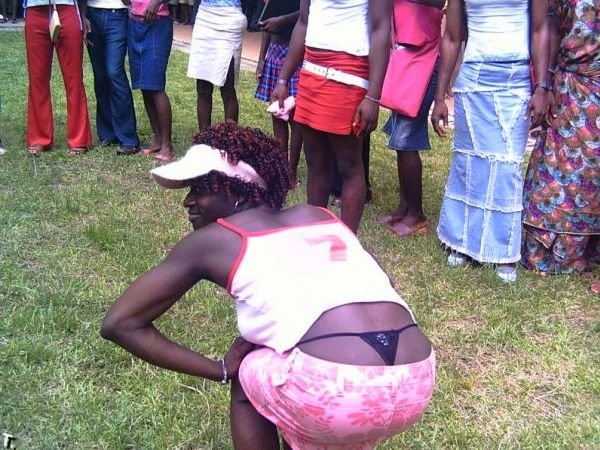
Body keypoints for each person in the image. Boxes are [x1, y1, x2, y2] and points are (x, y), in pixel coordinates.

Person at [101, 121, 436, 450]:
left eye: (200, 188)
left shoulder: (213, 240)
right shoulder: (321, 217)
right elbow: (382, 284)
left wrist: (219, 370)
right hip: (416, 379)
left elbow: (120, 323)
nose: (188, 201)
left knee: (251, 371)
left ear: (238, 189)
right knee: (289, 361)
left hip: (338, 393)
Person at [431, 0, 549, 282]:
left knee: (507, 166)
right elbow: (452, 37)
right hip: (473, 79)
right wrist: (440, 96)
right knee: (469, 164)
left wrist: (542, 87)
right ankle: (462, 241)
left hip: (515, 80)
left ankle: (502, 250)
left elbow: (540, 29)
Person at [271, 0, 393, 233]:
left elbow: (381, 29)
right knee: (315, 160)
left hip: (349, 72)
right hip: (311, 69)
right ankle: (315, 234)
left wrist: (373, 97)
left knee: (349, 165)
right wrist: (283, 79)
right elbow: (303, 21)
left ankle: (347, 243)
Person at [521, 0, 599, 280]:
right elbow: (550, 27)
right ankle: (554, 252)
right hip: (570, 88)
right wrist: (544, 84)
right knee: (560, 171)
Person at [377, 0, 444, 238]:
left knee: (405, 139)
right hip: (405, 56)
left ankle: (417, 214)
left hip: (424, 59)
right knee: (400, 140)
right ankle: (404, 207)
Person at [24, 0, 92, 155]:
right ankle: (39, 137)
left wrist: (83, 15)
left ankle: (79, 138)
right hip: (35, 9)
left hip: (66, 8)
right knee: (37, 79)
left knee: (74, 78)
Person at [83, 0, 140, 155]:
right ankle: (107, 133)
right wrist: (82, 15)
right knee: (100, 76)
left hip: (118, 14)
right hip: (92, 14)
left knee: (114, 72)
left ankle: (128, 138)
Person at [255, 2, 302, 187]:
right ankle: (281, 168)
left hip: (298, 53)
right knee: (277, 111)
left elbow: (308, 12)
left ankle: (292, 170)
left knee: (296, 117)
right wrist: (261, 58)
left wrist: (283, 20)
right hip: (275, 50)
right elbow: (267, 23)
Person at [187, 0, 246, 130]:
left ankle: (230, 138)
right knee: (203, 87)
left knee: (227, 87)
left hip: (230, 19)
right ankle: (204, 137)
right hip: (205, 16)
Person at [128, 0, 174, 161]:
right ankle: (158, 139)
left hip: (157, 24)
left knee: (155, 86)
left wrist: (156, 2)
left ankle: (167, 144)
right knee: (145, 86)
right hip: (134, 23)